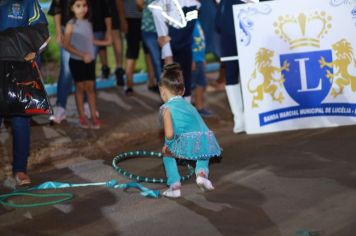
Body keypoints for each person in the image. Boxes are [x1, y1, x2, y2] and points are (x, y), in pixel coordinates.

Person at [0, 0, 48, 185]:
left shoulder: (28, 2)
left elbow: (42, 31)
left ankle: (20, 170)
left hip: (20, 69)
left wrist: (33, 52)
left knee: (21, 122)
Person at [159, 63, 221, 198]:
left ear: (162, 90)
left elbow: (169, 134)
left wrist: (167, 146)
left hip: (185, 143)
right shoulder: (189, 105)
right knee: (203, 156)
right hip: (204, 140)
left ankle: (174, 185)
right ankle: (202, 175)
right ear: (183, 90)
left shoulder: (166, 108)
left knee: (167, 155)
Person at [63, 0, 111, 129]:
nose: (82, 9)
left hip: (89, 61)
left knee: (90, 89)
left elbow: (92, 41)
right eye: (78, 6)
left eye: (84, 5)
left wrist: (106, 42)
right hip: (76, 62)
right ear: (72, 8)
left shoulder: (89, 23)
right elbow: (66, 45)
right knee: (79, 89)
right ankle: (82, 117)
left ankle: (94, 117)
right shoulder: (70, 24)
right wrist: (81, 55)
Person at [150, 0, 200, 102]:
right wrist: (168, 55)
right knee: (172, 90)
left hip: (185, 48)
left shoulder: (194, 4)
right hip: (172, 50)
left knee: (186, 87)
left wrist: (193, 56)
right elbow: (162, 32)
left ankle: (185, 114)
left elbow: (189, 29)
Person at [216, 0, 246, 133]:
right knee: (231, 73)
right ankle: (239, 117)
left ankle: (249, 114)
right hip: (228, 29)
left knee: (250, 71)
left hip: (247, 23)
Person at [48, 0, 75, 124]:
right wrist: (59, 32)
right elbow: (57, 7)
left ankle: (87, 105)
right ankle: (60, 107)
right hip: (66, 29)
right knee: (67, 70)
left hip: (88, 29)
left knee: (87, 67)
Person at [191, 19, 213, 117]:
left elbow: (200, 42)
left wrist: (202, 57)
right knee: (198, 84)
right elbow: (187, 42)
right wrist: (191, 59)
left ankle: (198, 106)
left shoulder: (196, 21)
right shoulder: (189, 23)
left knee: (201, 83)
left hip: (199, 59)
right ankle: (197, 107)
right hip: (194, 60)